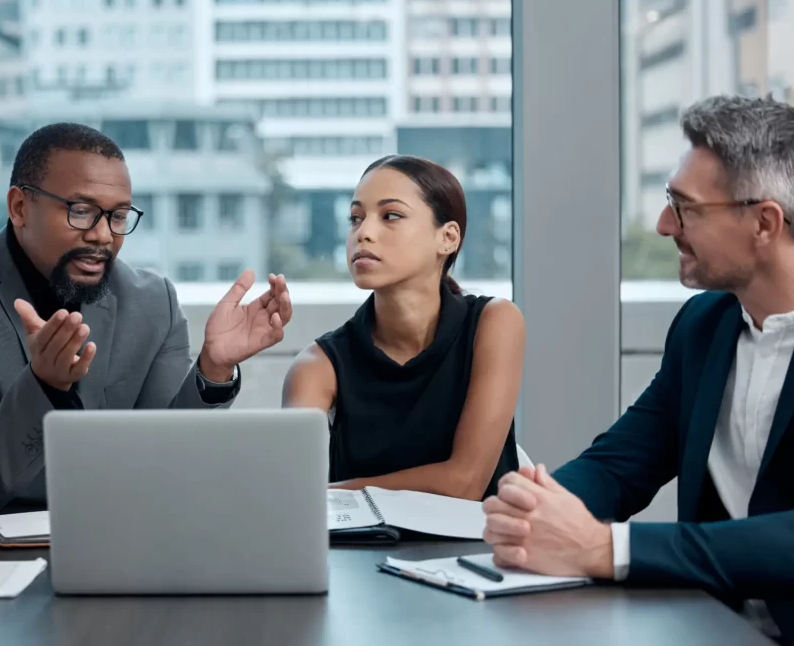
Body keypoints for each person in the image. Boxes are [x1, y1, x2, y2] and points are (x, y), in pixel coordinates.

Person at [482, 95, 794, 643]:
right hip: (712, 628)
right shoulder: (705, 325)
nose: (661, 224)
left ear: (765, 223)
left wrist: (605, 548)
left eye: (685, 207)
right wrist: (536, 504)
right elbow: (621, 464)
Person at [0, 123, 292, 514]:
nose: (103, 235)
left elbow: (174, 461)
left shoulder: (154, 302)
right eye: (81, 211)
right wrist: (44, 387)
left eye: (118, 217)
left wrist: (215, 369)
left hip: (130, 542)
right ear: (19, 207)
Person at [282, 155, 524, 499]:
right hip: (358, 552)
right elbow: (294, 493)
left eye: (390, 215)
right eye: (355, 218)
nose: (363, 233)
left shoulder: (494, 322)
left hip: (473, 550)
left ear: (448, 238)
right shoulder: (318, 365)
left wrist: (332, 493)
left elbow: (466, 481)